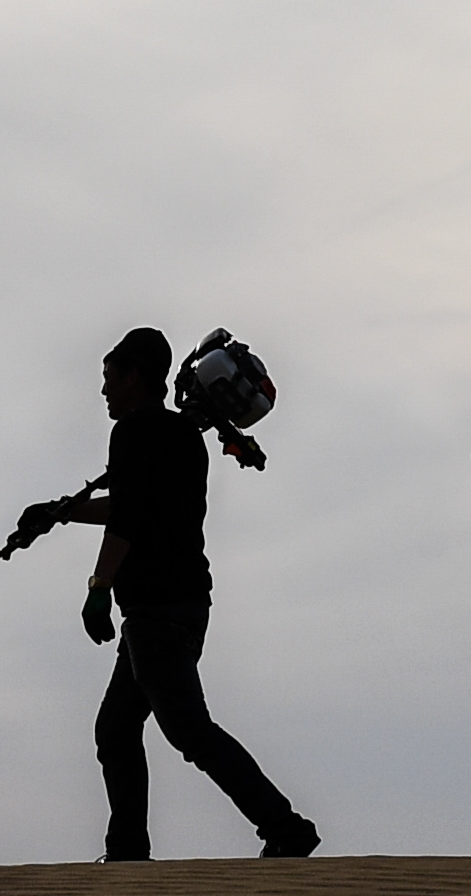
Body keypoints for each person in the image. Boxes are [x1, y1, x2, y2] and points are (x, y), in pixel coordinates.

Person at [22, 326, 318, 861]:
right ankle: (127, 852)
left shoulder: (134, 432)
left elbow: (129, 518)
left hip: (156, 612)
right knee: (117, 729)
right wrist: (61, 514)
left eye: (110, 377)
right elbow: (132, 503)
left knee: (189, 731)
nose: (104, 390)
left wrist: (98, 587)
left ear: (134, 377)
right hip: (179, 607)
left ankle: (285, 827)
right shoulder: (181, 435)